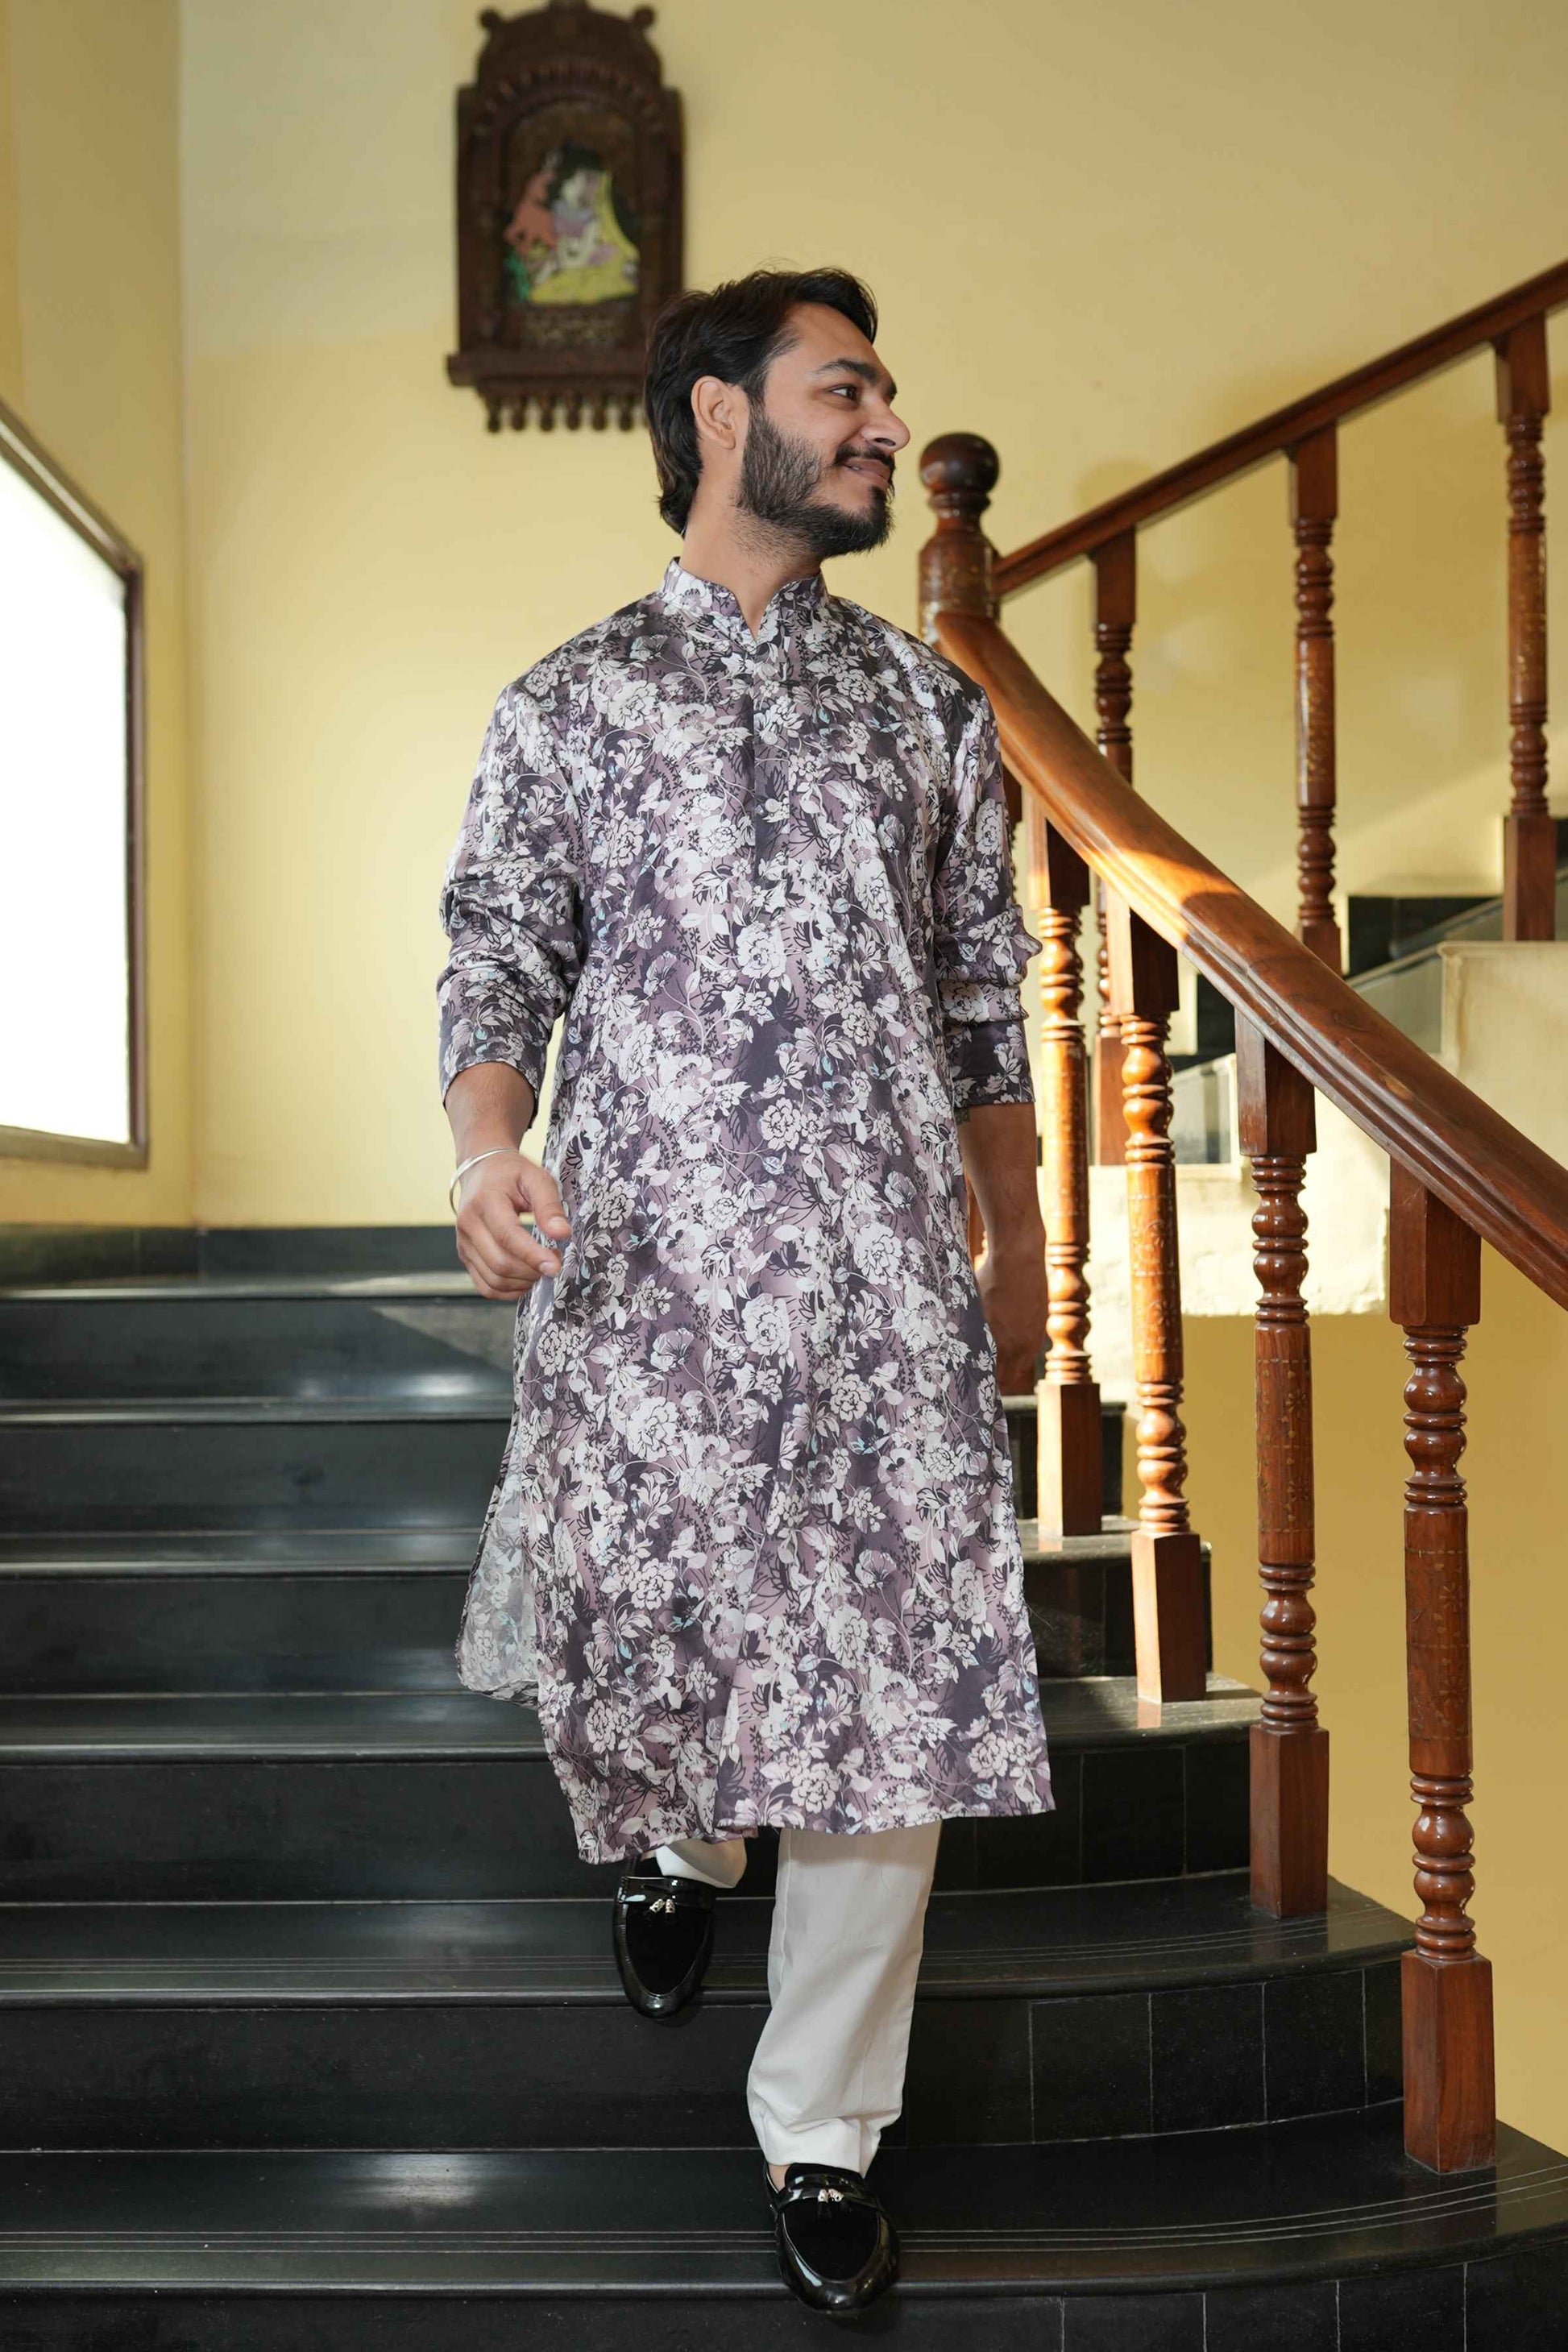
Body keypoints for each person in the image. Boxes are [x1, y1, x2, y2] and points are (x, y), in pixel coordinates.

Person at [437, 266, 1051, 2315]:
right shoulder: (571, 702)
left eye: (885, 393)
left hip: (884, 1284)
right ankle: (685, 1838)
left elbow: (983, 1003)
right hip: (658, 1281)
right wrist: (487, 1149)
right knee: (663, 1616)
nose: (884, 424)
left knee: (893, 1697)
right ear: (722, 414)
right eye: (843, 387)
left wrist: (1019, 1238)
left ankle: (822, 2129)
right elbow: (496, 957)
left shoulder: (928, 709)